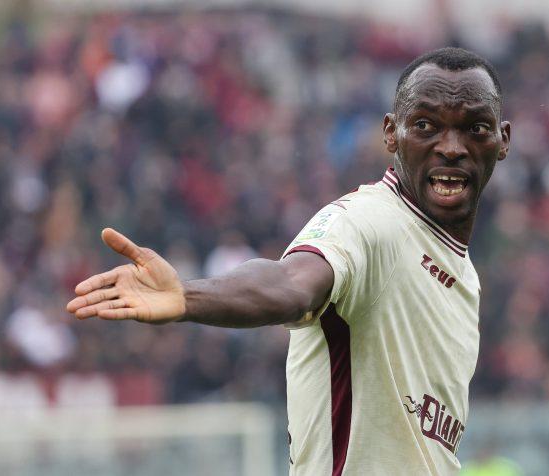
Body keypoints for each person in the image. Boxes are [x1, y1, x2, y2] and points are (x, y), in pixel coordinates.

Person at [66, 47, 511, 475]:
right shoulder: (370, 222)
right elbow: (291, 284)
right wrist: (189, 296)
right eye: (426, 125)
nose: (451, 147)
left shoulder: (463, 275)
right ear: (391, 133)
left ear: (502, 139)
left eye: (474, 128)